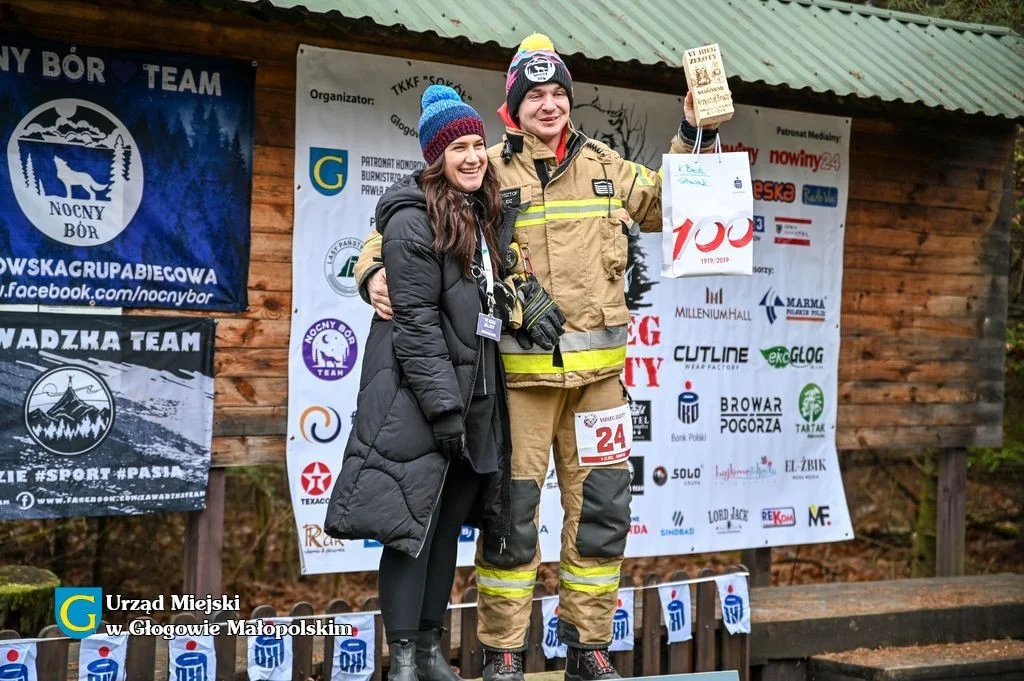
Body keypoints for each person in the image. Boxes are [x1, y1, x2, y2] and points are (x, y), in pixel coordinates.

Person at [354, 34, 722, 681]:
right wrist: (371, 270)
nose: (549, 106)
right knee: (509, 524)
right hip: (517, 385)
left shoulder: (606, 164)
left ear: (569, 104)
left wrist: (695, 129)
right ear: (512, 109)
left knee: (602, 517)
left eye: (558, 95)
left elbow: (675, 204)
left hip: (600, 387)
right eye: (535, 96)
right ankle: (501, 654)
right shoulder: (483, 166)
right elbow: (406, 213)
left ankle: (590, 647)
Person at [324, 85, 519, 681]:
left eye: (476, 144)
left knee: (442, 537)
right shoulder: (413, 219)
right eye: (457, 147)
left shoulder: (482, 212)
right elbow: (416, 326)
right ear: (435, 157)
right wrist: (443, 410)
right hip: (425, 404)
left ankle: (431, 651)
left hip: (478, 400)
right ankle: (403, 659)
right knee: (409, 531)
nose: (471, 157)